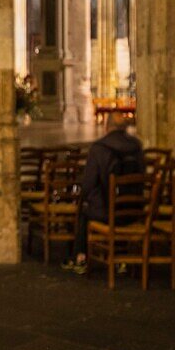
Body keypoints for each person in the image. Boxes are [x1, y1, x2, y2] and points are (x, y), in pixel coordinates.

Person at [62, 112, 144, 274]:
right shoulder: (136, 146)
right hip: (134, 211)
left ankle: (81, 257)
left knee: (84, 209)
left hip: (108, 211)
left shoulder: (100, 148)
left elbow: (88, 184)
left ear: (107, 127)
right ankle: (122, 258)